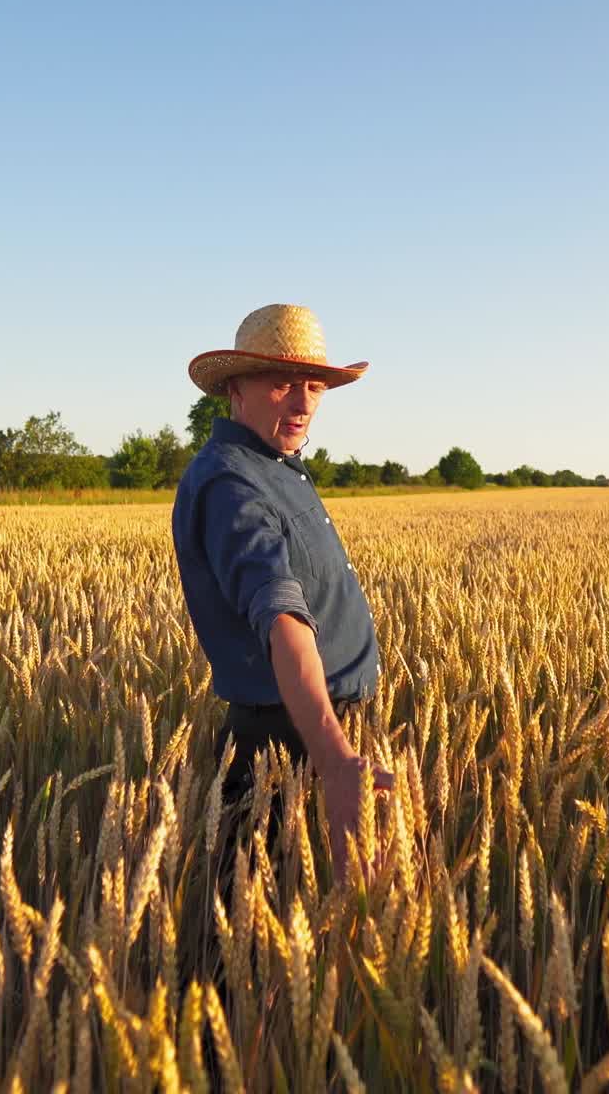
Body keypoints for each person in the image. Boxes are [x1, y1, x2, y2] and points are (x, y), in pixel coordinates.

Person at [172, 303, 394, 882]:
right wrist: (336, 759)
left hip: (321, 731)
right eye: (281, 383)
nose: (302, 403)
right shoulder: (232, 482)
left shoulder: (276, 464)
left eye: (314, 385)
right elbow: (282, 619)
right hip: (287, 743)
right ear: (235, 387)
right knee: (253, 927)